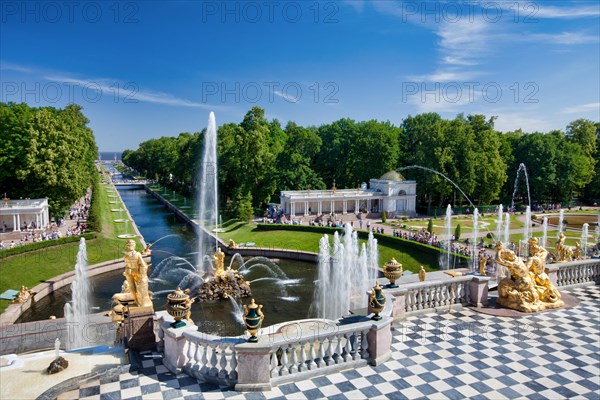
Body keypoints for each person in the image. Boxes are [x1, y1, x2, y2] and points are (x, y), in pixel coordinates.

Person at [123, 240, 153, 308]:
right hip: (135, 272)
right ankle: (139, 302)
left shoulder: (125, 255)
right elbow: (142, 264)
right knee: (138, 287)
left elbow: (127, 264)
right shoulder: (137, 254)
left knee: (131, 287)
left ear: (127, 246)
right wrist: (146, 266)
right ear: (134, 245)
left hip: (128, 271)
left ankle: (136, 301)